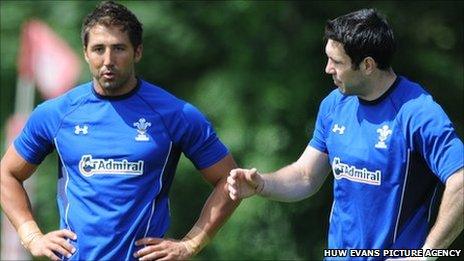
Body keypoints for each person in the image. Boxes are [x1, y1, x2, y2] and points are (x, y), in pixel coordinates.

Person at [0, 1, 239, 260]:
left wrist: (191, 244)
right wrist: (31, 236)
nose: (108, 61)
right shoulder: (56, 113)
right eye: (98, 49)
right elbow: (7, 174)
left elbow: (230, 182)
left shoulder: (176, 114)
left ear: (137, 52)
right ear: (85, 53)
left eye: (119, 49)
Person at [227, 8, 463, 256]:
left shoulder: (419, 113)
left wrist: (428, 252)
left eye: (337, 62)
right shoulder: (334, 105)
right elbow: (306, 175)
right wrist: (262, 185)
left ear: (367, 65)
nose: (328, 68)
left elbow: (460, 180)